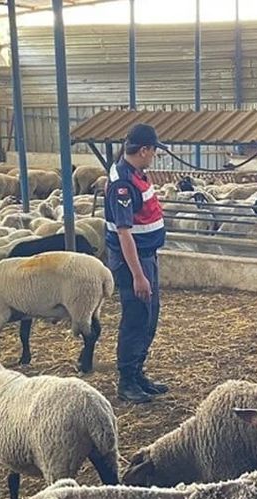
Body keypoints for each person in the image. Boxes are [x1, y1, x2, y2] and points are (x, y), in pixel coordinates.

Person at [104, 123, 170, 403]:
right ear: (143, 150)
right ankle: (126, 380)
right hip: (132, 261)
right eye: (153, 150)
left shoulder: (135, 174)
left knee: (149, 315)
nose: (154, 155)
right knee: (135, 318)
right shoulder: (122, 182)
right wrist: (138, 275)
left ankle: (138, 372)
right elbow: (123, 232)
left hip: (146, 256)